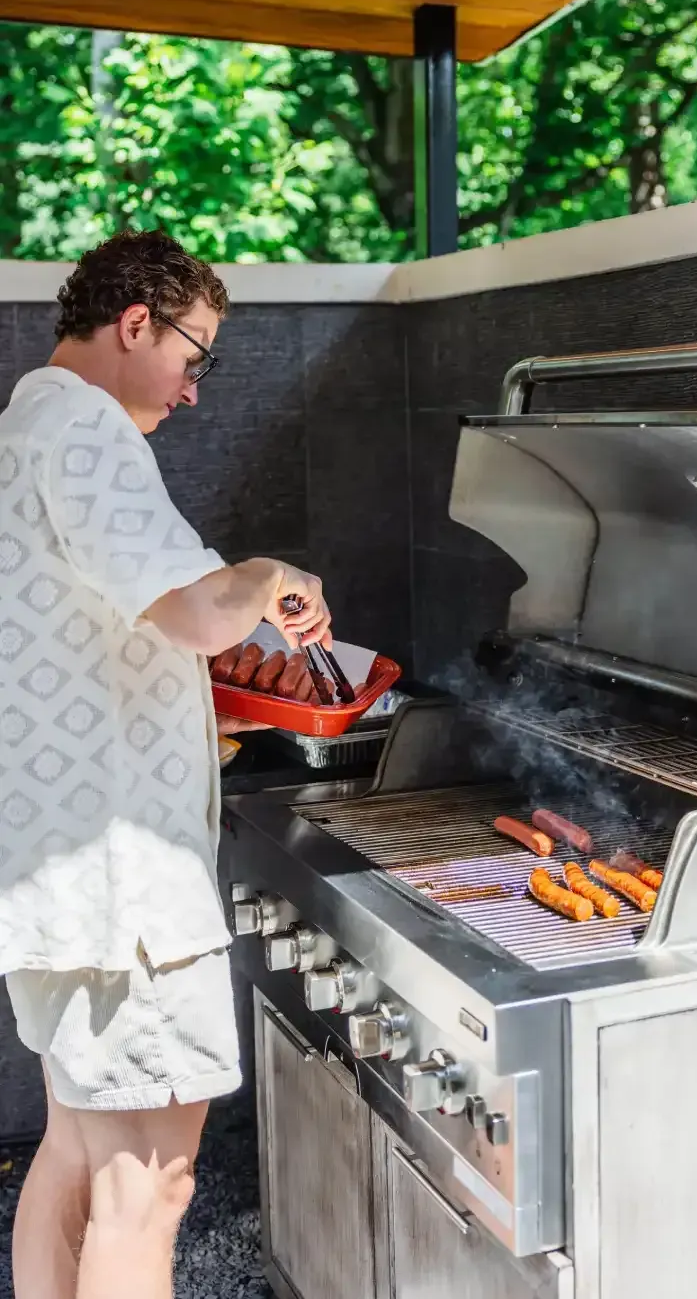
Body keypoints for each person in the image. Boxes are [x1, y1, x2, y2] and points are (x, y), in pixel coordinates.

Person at [0, 229, 330, 1299]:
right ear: (135, 322)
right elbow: (193, 609)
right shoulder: (88, 431)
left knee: (79, 1153)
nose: (195, 390)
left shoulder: (26, 424)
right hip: (123, 889)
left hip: (56, 870)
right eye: (196, 356)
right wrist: (269, 571)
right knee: (154, 1183)